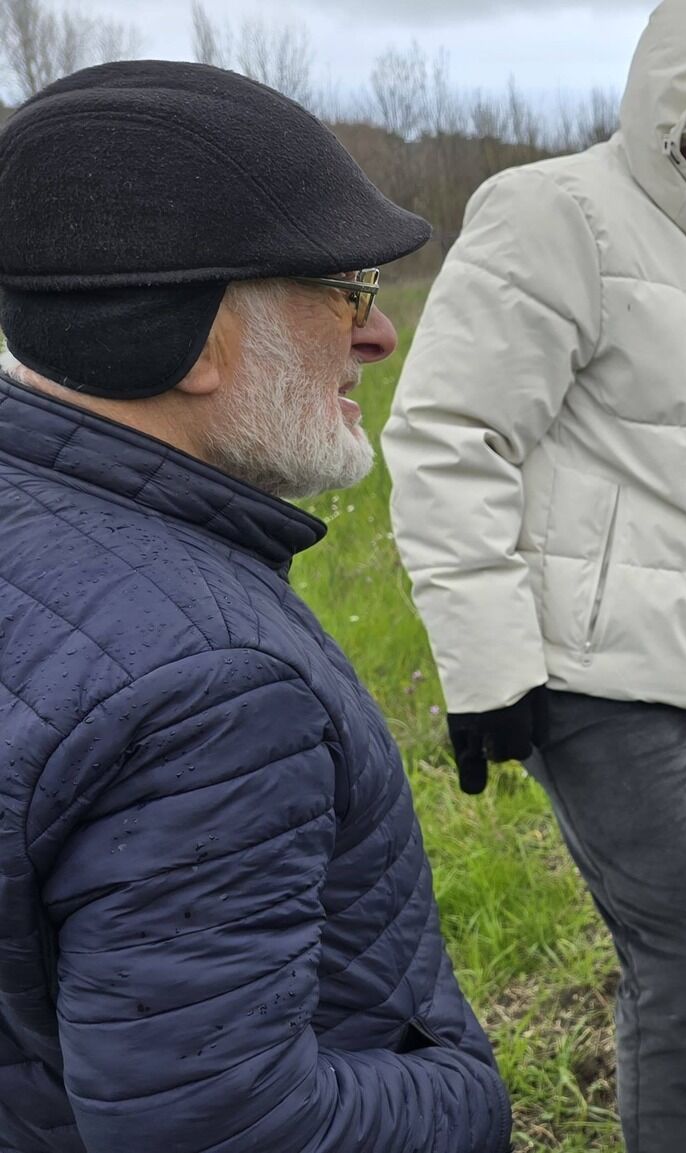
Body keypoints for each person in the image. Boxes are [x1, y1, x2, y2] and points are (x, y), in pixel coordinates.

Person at [0, 62, 510, 1153]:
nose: (375, 336)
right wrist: (469, 1094)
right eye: (344, 290)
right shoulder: (206, 687)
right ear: (186, 334)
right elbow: (231, 1131)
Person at [380, 0, 686, 1148]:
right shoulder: (555, 213)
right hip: (597, 678)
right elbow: (450, 436)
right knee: (682, 959)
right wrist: (488, 673)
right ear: (682, 90)